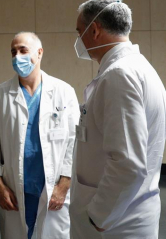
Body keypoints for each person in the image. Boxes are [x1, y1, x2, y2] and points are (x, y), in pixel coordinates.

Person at [70, 1, 166, 238]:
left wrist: (98, 216)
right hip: (127, 213)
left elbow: (128, 163)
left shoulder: (119, 75)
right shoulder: (139, 68)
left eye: (79, 31)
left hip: (114, 223)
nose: (79, 39)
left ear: (94, 30)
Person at [0, 32, 80, 239]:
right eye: (13, 51)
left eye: (23, 50)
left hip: (53, 183)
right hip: (15, 184)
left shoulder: (64, 91)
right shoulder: (0, 94)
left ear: (39, 53)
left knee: (53, 234)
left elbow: (75, 139)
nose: (17, 56)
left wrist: (64, 184)